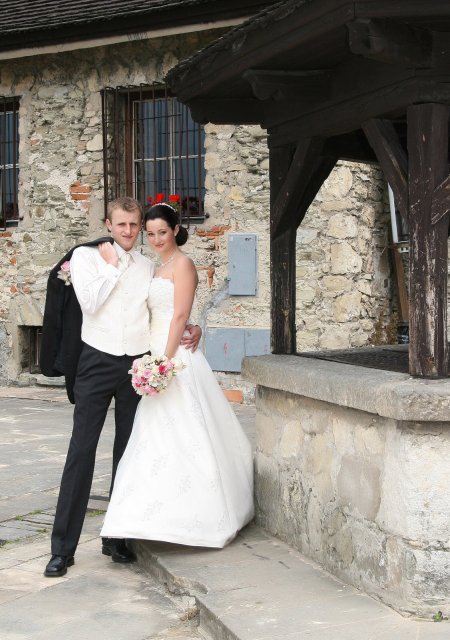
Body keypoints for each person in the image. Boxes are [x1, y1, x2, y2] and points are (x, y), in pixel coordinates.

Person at [44, 197, 201, 577]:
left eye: (134, 225)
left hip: (136, 365)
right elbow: (90, 303)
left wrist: (193, 328)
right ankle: (62, 549)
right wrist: (112, 266)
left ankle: (117, 538)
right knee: (82, 450)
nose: (129, 231)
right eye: (122, 225)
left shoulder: (148, 266)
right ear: (109, 225)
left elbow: (164, 310)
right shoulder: (85, 258)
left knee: (128, 454)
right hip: (96, 361)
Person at [101, 203, 254, 548]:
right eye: (151, 233)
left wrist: (163, 364)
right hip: (154, 352)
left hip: (173, 359)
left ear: (175, 230)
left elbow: (180, 315)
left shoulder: (183, 264)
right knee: (153, 438)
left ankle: (198, 516)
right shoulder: (156, 267)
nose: (156, 239)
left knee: (188, 433)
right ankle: (147, 517)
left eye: (162, 232)